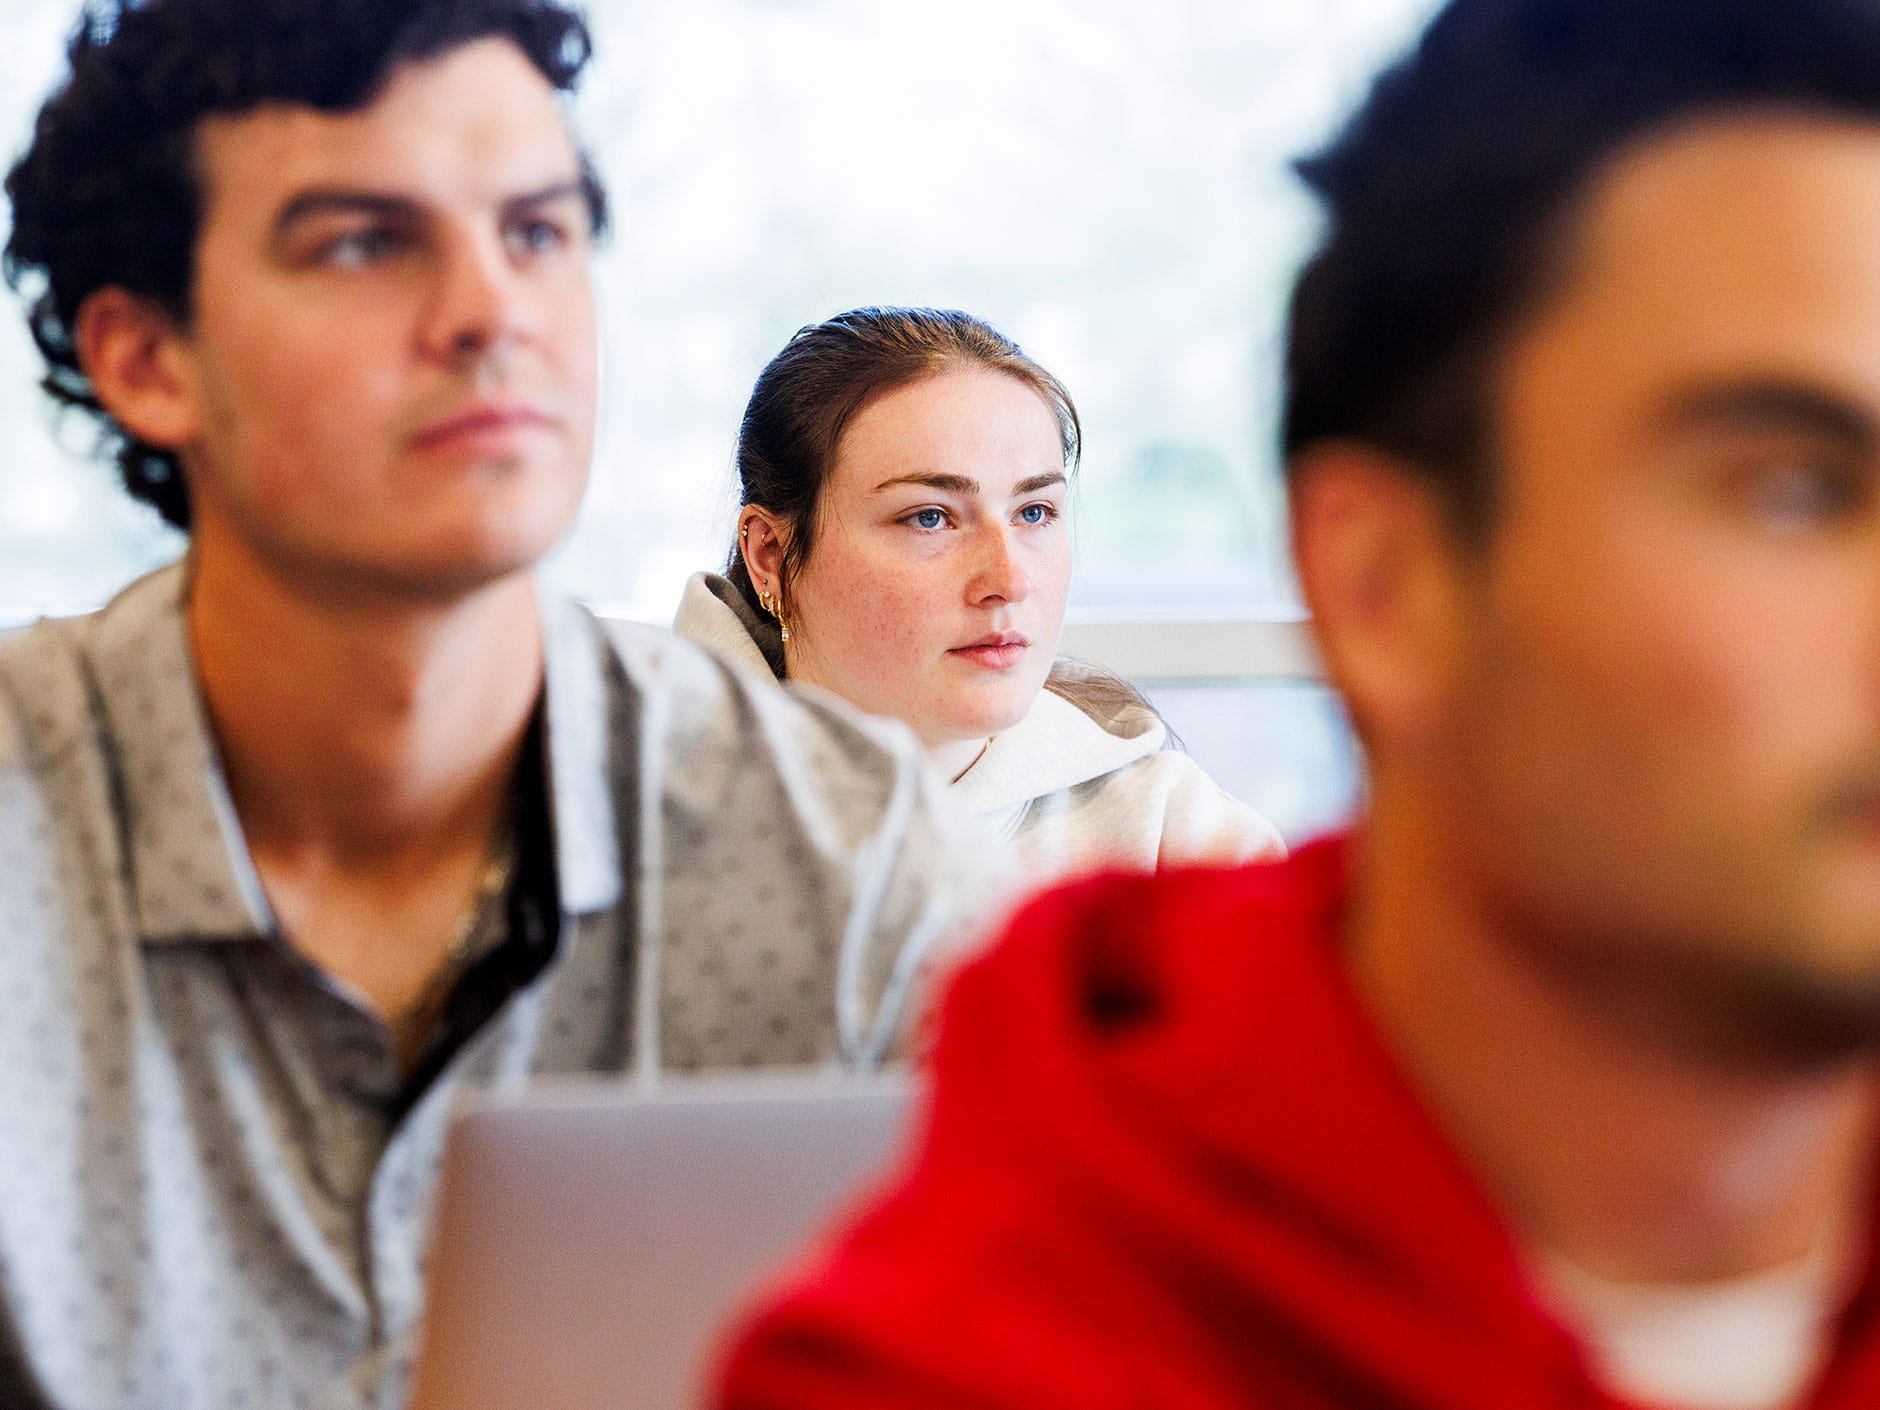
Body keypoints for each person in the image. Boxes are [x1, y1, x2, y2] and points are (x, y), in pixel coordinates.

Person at [714, 0, 1880, 1406]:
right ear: (1385, 586)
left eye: (1038, 510)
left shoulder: (1162, 809)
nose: (1002, 573)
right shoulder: (953, 1349)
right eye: (1794, 492)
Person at [0, 2, 1000, 1406]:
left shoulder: (851, 865)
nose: (492, 312)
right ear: (146, 361)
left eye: (536, 232)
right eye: (363, 241)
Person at [677, 306, 1283, 882]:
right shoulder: (634, 820)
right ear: (771, 556)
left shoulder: (1182, 847)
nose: (1009, 579)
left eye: (1035, 512)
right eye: (930, 518)